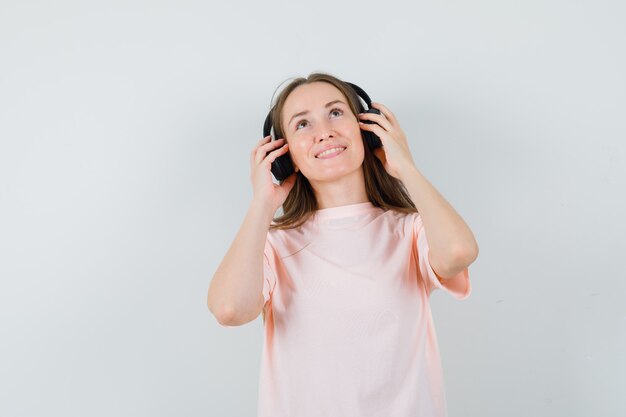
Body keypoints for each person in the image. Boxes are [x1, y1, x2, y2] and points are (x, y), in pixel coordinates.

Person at [207, 72, 479, 417]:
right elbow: (229, 309)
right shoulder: (273, 245)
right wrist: (262, 204)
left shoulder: (410, 231)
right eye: (302, 124)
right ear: (284, 155)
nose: (325, 132)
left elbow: (459, 252)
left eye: (336, 113)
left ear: (368, 130)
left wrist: (405, 167)